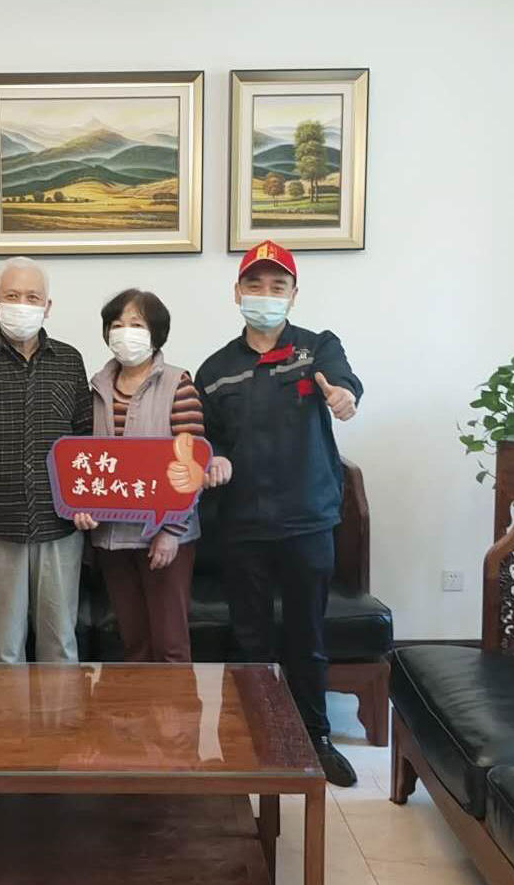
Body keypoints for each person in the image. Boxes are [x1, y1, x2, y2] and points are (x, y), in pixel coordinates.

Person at [194, 240, 363, 787]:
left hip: (308, 519)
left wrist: (344, 396)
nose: (265, 295)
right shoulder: (215, 370)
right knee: (250, 638)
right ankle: (259, 736)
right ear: (237, 292)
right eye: (255, 284)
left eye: (277, 286)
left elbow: (344, 382)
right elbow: (206, 442)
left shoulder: (318, 348)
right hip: (242, 524)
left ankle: (316, 738)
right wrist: (214, 458)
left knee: (306, 636)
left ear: (292, 295)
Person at [0, 257, 92, 662]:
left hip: (59, 522)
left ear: (47, 306)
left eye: (32, 297)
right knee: (3, 649)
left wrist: (88, 500)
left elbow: (86, 436)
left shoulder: (70, 360)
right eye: (12, 296)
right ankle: (5, 711)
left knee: (61, 645)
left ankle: (59, 710)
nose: (22, 305)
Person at [72, 289, 231, 662]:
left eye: (136, 324)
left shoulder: (179, 385)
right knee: (133, 644)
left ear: (156, 333)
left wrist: (172, 530)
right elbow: (83, 460)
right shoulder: (95, 388)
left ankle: (177, 705)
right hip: (111, 536)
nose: (125, 332)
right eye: (117, 324)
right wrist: (80, 505)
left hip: (164, 535)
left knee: (170, 645)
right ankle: (140, 703)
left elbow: (192, 464)